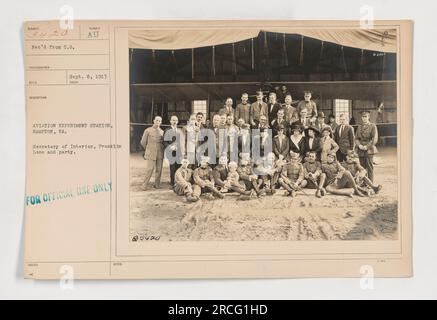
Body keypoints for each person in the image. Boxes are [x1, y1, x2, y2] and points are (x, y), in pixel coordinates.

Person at [140, 116, 164, 190]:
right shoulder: (148, 130)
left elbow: (163, 143)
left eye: (159, 121)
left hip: (160, 153)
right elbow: (143, 142)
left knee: (159, 170)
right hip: (151, 153)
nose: (158, 122)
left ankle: (157, 184)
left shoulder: (162, 132)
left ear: (161, 122)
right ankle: (144, 185)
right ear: (153, 121)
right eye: (156, 120)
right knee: (150, 169)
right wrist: (148, 150)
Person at [355, 111, 378, 182]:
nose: (364, 118)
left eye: (366, 117)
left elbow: (374, 138)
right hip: (361, 150)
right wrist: (359, 145)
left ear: (368, 117)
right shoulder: (359, 126)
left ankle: (370, 183)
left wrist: (367, 147)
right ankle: (364, 182)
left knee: (369, 168)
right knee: (362, 168)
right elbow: (356, 138)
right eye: (363, 117)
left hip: (369, 150)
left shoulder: (372, 126)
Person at [163, 115, 185, 189]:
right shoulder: (167, 130)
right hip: (171, 153)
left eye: (176, 120)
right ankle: (172, 183)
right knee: (172, 168)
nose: (175, 122)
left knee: (178, 167)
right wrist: (170, 147)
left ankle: (178, 182)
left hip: (179, 152)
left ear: (177, 122)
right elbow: (164, 142)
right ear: (170, 121)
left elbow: (181, 141)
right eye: (173, 120)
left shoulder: (179, 130)